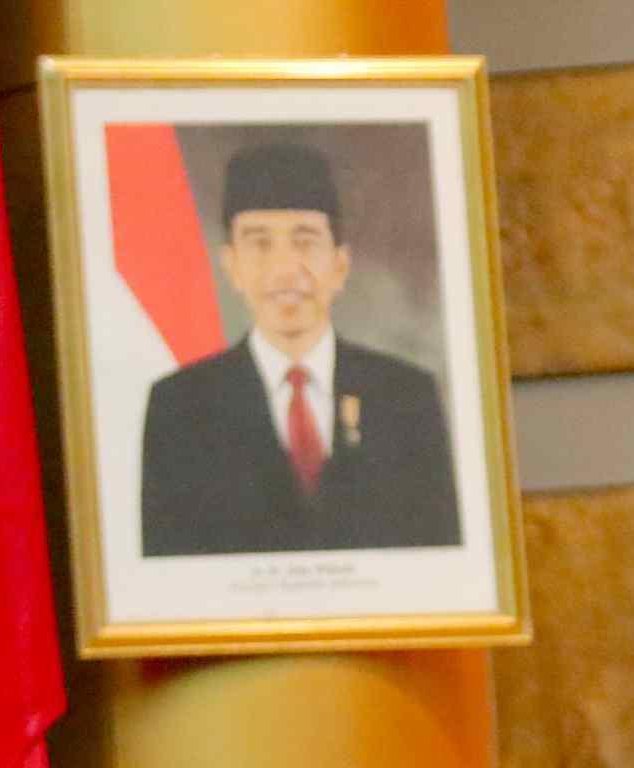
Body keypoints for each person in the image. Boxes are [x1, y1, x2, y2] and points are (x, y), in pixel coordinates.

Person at [141, 141, 461, 557]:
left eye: (305, 241)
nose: (285, 269)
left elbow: (440, 561)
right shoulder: (180, 408)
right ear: (232, 266)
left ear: (340, 266)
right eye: (260, 244)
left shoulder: (407, 398)